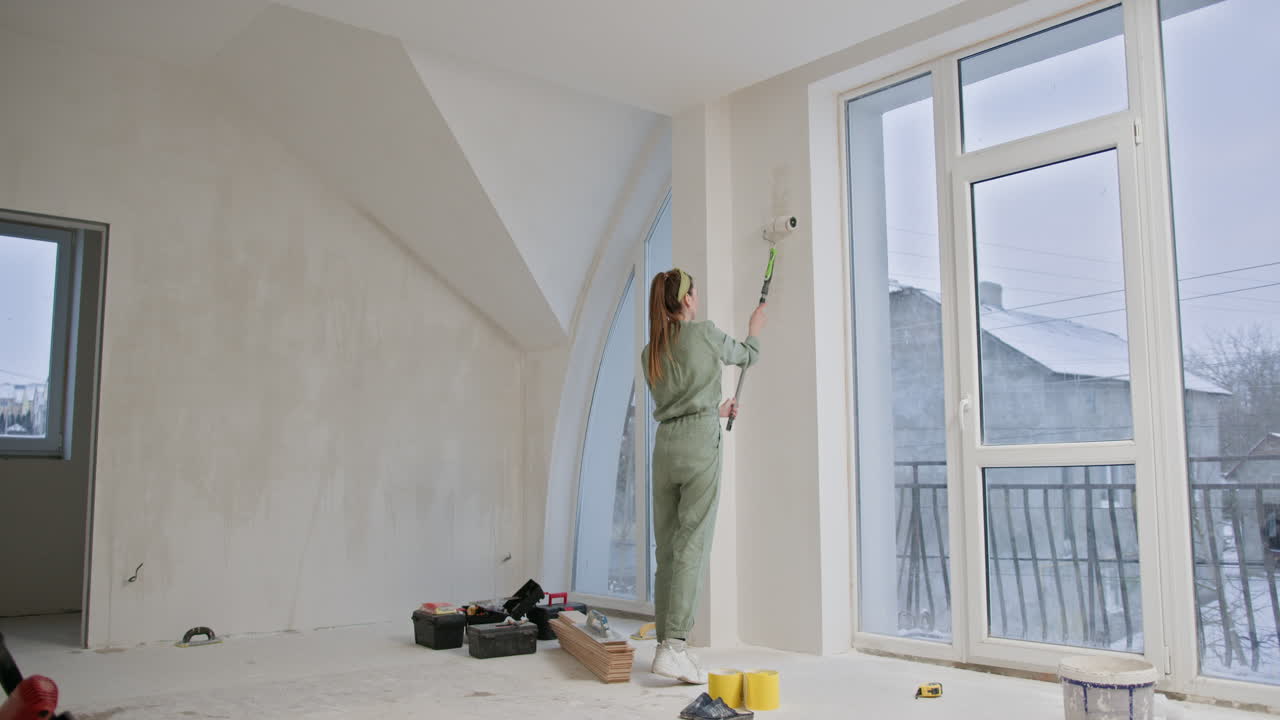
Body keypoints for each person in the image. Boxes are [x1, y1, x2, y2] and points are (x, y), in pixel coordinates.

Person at [642, 267, 765, 684]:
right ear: (688, 300)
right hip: (699, 446)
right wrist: (755, 329)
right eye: (695, 291)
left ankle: (665, 644)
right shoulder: (705, 333)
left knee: (667, 550)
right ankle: (674, 647)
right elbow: (747, 355)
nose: (698, 296)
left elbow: (679, 402)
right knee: (692, 545)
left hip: (665, 449)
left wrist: (716, 408)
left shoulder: (651, 352)